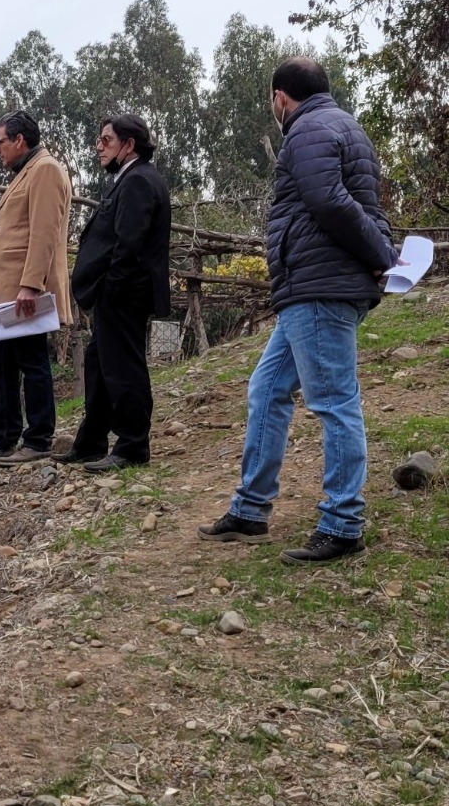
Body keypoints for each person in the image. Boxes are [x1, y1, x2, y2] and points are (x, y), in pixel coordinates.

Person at [199, 56, 397, 565]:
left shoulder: (309, 129)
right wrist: (380, 253)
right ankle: (250, 508)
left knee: (333, 402)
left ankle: (343, 522)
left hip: (319, 287)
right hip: (312, 287)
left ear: (279, 97)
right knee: (266, 389)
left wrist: (381, 256)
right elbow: (362, 203)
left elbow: (329, 201)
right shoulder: (342, 126)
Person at [0, 110, 73, 467]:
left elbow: (44, 233)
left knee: (31, 360)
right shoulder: (26, 172)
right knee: (1, 362)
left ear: (19, 140)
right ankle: (4, 439)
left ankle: (39, 438)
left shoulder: (45, 170)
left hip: (24, 289)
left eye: (0, 143)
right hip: (6, 289)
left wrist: (31, 284)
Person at [67, 114, 172, 472]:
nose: (99, 146)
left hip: (124, 292)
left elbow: (129, 243)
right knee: (99, 364)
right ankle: (91, 441)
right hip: (116, 292)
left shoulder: (140, 180)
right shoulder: (130, 179)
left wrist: (110, 286)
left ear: (129, 145)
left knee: (124, 367)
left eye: (107, 139)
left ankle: (132, 446)